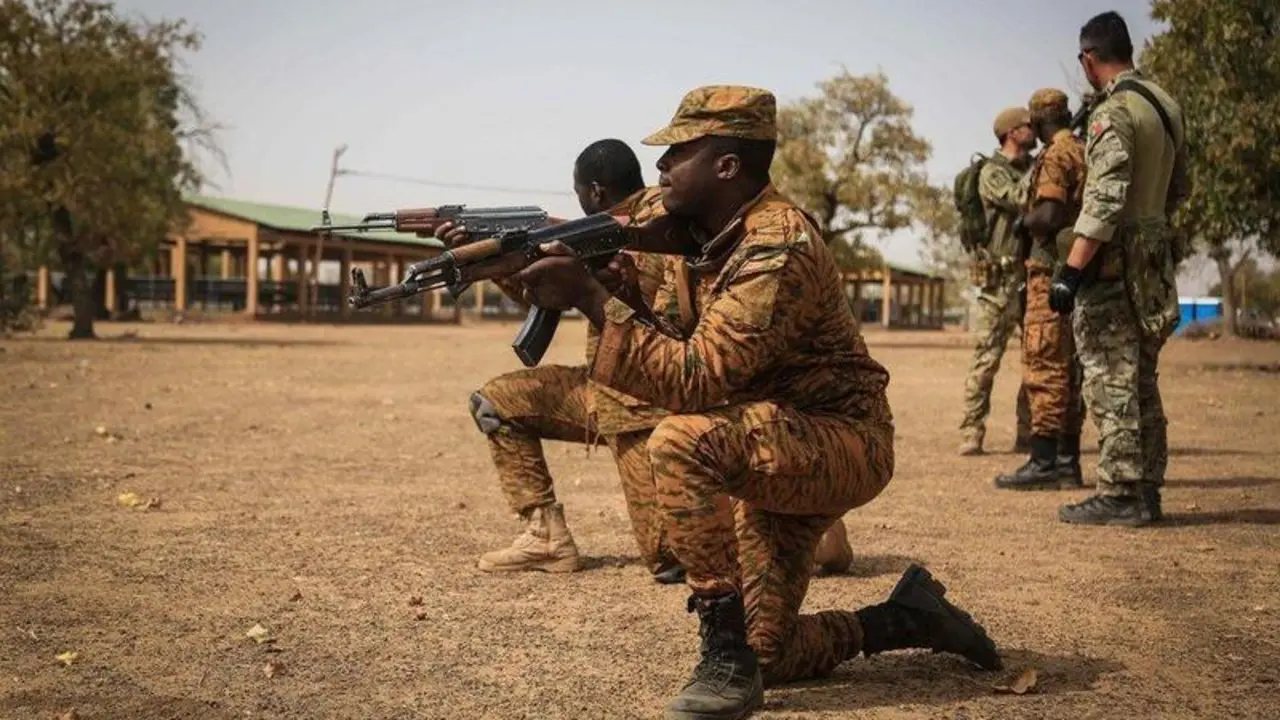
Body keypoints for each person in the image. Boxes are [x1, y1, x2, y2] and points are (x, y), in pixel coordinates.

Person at [513, 86, 1002, 720]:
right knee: (770, 651)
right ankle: (907, 617)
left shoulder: (777, 244)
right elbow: (672, 340)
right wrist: (611, 289)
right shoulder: (702, 237)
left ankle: (724, 660)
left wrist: (591, 300)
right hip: (770, 439)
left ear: (727, 166)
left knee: (680, 441)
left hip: (840, 439)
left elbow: (696, 378)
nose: (660, 165)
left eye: (678, 153)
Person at [446, 138, 857, 580]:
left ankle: (805, 529)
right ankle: (544, 536)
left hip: (649, 406)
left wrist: (591, 283)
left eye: (579, 191)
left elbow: (671, 332)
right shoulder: (605, 230)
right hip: (602, 392)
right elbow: (547, 297)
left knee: (670, 557)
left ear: (595, 191)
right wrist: (498, 264)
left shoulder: (661, 226)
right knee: (497, 403)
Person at [1049, 11, 1188, 526]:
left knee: (1110, 377)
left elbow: (1104, 201)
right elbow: (1180, 188)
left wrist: (1070, 272)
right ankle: (1146, 490)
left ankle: (1120, 491)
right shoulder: (1165, 105)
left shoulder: (1115, 111)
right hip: (1153, 260)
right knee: (1142, 379)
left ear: (1089, 59)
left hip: (1113, 266)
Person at [995, 88, 1088, 491]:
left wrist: (1024, 223)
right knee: (1070, 371)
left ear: (1036, 122)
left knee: (1044, 365)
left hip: (1048, 272)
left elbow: (1049, 214)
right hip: (1077, 273)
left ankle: (1044, 461)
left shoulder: (1055, 155)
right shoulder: (1084, 149)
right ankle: (1067, 462)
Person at [959, 107, 1035, 456]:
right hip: (998, 284)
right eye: (1027, 126)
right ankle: (971, 431)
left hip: (1030, 279)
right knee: (986, 360)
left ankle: (1028, 432)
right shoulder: (992, 172)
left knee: (1036, 361)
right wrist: (1045, 166)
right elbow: (1020, 198)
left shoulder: (1031, 167)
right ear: (1011, 132)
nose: (1034, 130)